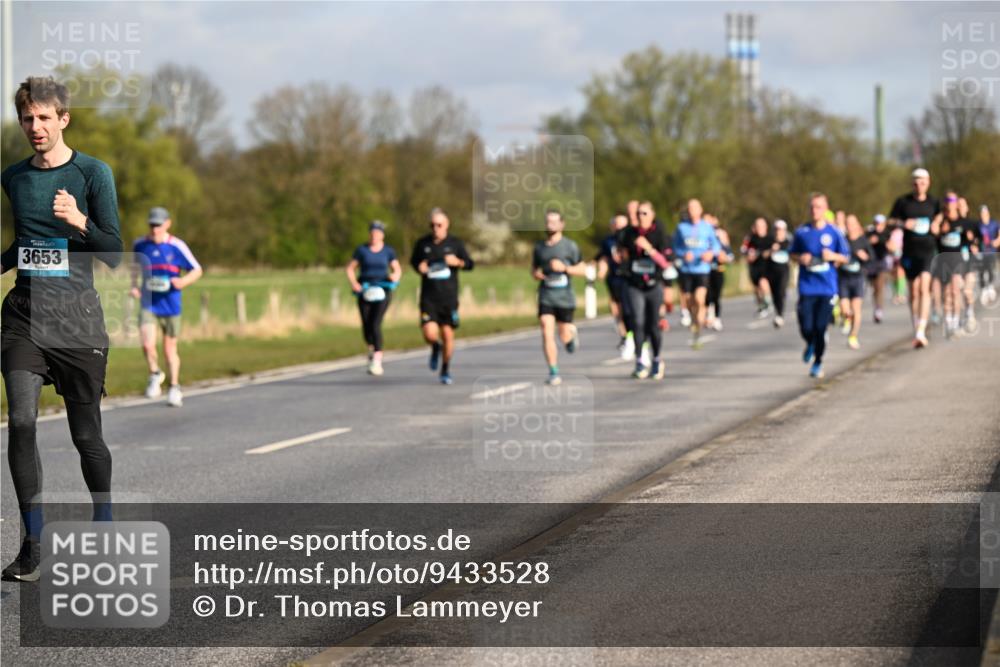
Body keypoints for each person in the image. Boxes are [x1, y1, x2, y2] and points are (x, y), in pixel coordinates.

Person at [1, 77, 122, 581]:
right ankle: (32, 543)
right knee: (22, 423)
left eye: (44, 117)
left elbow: (114, 253)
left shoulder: (93, 173)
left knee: (86, 437)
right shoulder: (13, 178)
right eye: (27, 118)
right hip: (24, 316)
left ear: (63, 119)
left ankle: (106, 525)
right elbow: (23, 247)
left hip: (77, 322)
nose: (35, 127)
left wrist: (79, 222)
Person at [130, 207, 203, 407]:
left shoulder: (177, 246)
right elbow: (135, 267)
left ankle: (174, 386)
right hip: (148, 303)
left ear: (167, 224)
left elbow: (197, 270)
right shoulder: (140, 245)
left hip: (171, 305)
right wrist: (134, 286)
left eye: (159, 225)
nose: (155, 229)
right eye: (152, 225)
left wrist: (183, 282)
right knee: (147, 344)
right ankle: (155, 373)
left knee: (170, 349)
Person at [409, 208, 474, 385]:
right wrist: (419, 267)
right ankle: (435, 347)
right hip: (428, 297)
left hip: (449, 297)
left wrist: (458, 262)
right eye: (432, 225)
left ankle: (445, 368)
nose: (435, 228)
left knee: (447, 334)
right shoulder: (423, 244)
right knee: (430, 333)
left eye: (439, 225)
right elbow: (414, 262)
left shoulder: (455, 243)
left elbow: (470, 264)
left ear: (446, 225)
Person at [790, 192, 850, 379]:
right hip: (807, 287)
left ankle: (817, 361)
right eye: (812, 207)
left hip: (827, 288)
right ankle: (810, 344)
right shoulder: (802, 232)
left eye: (818, 207)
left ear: (825, 209)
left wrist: (832, 256)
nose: (814, 210)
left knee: (820, 327)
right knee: (806, 327)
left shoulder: (834, 233)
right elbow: (791, 254)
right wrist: (801, 258)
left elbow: (846, 257)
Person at [888, 168, 942, 348]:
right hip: (909, 251)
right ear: (912, 184)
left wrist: (937, 223)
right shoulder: (903, 202)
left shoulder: (934, 202)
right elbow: (890, 221)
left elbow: (942, 216)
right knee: (914, 291)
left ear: (928, 183)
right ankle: (916, 325)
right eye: (916, 182)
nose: (919, 185)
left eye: (923, 182)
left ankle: (921, 330)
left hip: (928, 251)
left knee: (924, 287)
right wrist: (904, 223)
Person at [532, 210, 587, 386]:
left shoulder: (570, 246)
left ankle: (570, 336)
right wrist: (537, 274)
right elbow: (533, 270)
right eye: (548, 222)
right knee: (546, 329)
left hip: (565, 298)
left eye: (554, 222)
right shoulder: (539, 247)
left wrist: (564, 268)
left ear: (561, 224)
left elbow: (583, 269)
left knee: (562, 335)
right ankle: (553, 371)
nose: (550, 226)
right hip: (546, 296)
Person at [620, 201, 671, 377]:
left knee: (653, 325)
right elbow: (623, 255)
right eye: (639, 213)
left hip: (654, 285)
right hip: (635, 285)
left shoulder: (659, 233)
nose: (640, 217)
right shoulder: (629, 233)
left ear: (652, 215)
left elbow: (665, 263)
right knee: (638, 322)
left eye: (644, 213)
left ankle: (656, 359)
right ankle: (640, 361)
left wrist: (648, 248)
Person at [346, 220, 402, 376]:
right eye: (372, 233)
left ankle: (377, 359)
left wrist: (394, 277)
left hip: (382, 290)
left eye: (377, 233)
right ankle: (371, 346)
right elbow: (350, 268)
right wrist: (354, 283)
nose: (374, 236)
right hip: (365, 290)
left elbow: (397, 269)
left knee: (376, 323)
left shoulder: (388, 251)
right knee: (366, 325)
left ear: (382, 235)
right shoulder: (362, 250)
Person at [673, 199, 721, 349]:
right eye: (690, 208)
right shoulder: (681, 228)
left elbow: (717, 246)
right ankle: (695, 321)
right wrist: (682, 254)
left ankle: (698, 328)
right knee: (688, 301)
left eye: (695, 208)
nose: (692, 211)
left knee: (700, 299)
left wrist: (710, 253)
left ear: (700, 210)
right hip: (687, 270)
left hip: (702, 269)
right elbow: (675, 247)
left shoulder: (707, 227)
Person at [937, 192, 981, 338]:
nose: (959, 207)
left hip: (968, 262)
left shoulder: (970, 224)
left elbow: (981, 239)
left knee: (966, 291)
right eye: (958, 204)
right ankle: (954, 322)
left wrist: (975, 243)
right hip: (954, 261)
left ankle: (969, 314)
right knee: (953, 291)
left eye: (962, 205)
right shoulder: (946, 221)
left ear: (966, 207)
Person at [596, 214, 632, 357]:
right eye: (616, 225)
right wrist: (601, 269)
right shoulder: (608, 241)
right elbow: (602, 257)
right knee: (616, 310)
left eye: (622, 225)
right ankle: (624, 336)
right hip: (613, 278)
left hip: (628, 278)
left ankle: (631, 335)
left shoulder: (630, 239)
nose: (619, 228)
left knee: (628, 310)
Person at [838, 214, 874, 350]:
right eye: (847, 223)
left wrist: (864, 257)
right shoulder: (842, 240)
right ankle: (847, 319)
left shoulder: (863, 241)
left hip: (858, 278)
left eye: (852, 223)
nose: (850, 226)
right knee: (844, 307)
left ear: (857, 224)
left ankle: (853, 336)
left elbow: (872, 258)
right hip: (843, 277)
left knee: (856, 309)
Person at [705, 214, 734, 331]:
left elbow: (730, 255)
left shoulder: (720, 235)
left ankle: (716, 318)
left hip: (718, 269)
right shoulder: (700, 235)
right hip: (704, 271)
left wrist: (724, 257)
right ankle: (709, 316)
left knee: (716, 296)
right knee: (707, 296)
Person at [742, 217, 774, 318]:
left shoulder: (770, 238)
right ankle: (762, 306)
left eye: (761, 226)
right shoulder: (750, 238)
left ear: (766, 227)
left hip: (766, 266)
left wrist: (769, 252)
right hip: (754, 267)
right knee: (757, 289)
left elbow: (777, 248)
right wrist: (748, 255)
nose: (759, 228)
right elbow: (743, 249)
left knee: (763, 283)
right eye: (757, 226)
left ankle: (769, 303)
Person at [865, 213, 892, 323]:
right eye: (876, 223)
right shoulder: (869, 233)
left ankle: (879, 309)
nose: (878, 226)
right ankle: (876, 307)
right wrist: (869, 242)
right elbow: (863, 244)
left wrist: (887, 244)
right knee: (874, 288)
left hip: (882, 263)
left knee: (880, 286)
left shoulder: (887, 234)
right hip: (871, 264)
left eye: (880, 223)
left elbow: (893, 247)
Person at [766, 219, 791, 328]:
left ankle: (780, 314)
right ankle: (777, 312)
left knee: (781, 291)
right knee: (775, 293)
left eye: (781, 230)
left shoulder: (788, 242)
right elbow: (764, 255)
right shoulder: (770, 241)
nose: (779, 232)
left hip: (784, 270)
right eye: (777, 229)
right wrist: (771, 250)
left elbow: (793, 255)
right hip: (771, 270)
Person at [979, 204, 999, 305]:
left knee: (991, 269)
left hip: (991, 250)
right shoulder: (978, 225)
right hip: (981, 251)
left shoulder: (994, 223)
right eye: (982, 213)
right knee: (982, 271)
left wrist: (998, 240)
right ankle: (983, 289)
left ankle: (990, 285)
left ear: (988, 213)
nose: (983, 215)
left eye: (985, 213)